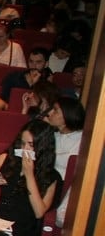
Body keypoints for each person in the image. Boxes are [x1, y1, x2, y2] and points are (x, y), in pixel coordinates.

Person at [0, 121, 61, 236]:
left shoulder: (51, 176)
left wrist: (29, 175)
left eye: (31, 145)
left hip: (20, 227)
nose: (25, 149)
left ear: (42, 147)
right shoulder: (5, 159)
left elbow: (39, 212)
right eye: (22, 143)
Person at [45, 97, 84, 227]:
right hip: (45, 182)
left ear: (67, 115)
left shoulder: (82, 140)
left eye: (55, 111)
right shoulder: (52, 135)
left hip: (62, 189)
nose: (49, 113)